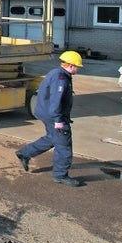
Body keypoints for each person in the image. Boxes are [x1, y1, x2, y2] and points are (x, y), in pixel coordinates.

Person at [15, 51, 83, 187]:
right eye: (77, 66)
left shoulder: (56, 72)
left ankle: (24, 153)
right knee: (64, 145)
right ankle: (60, 175)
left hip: (46, 113)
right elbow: (55, 101)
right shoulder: (61, 78)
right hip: (54, 116)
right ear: (70, 65)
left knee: (52, 138)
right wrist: (58, 120)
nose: (78, 69)